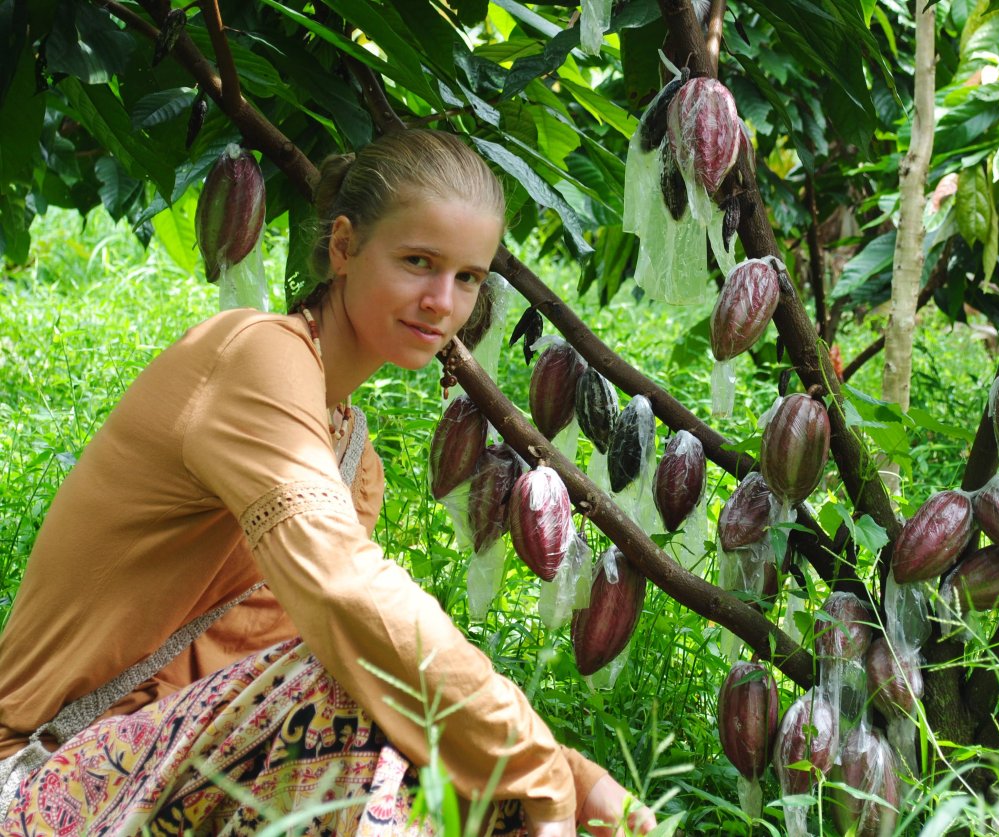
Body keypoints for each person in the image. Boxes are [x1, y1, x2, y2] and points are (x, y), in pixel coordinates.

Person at [0, 129, 656, 836]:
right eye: (417, 262)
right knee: (361, 697)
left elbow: (349, 661)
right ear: (343, 247)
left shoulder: (353, 459)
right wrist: (536, 762)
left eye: (467, 277)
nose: (442, 301)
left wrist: (563, 770)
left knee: (433, 744)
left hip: (178, 782)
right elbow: (347, 601)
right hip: (47, 780)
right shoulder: (257, 355)